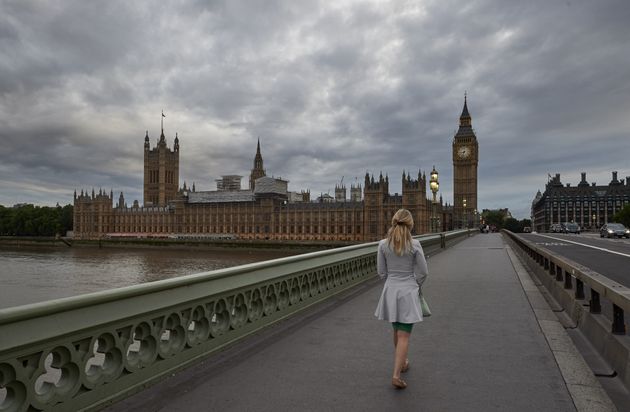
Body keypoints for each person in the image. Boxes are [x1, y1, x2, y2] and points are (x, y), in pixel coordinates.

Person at [374, 208, 429, 389]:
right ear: (411, 224)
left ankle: (403, 362)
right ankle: (396, 375)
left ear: (393, 222)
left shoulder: (383, 244)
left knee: (397, 331)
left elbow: (381, 272)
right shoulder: (415, 244)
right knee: (404, 335)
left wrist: (392, 282)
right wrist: (415, 285)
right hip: (408, 290)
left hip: (391, 291)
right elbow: (423, 272)